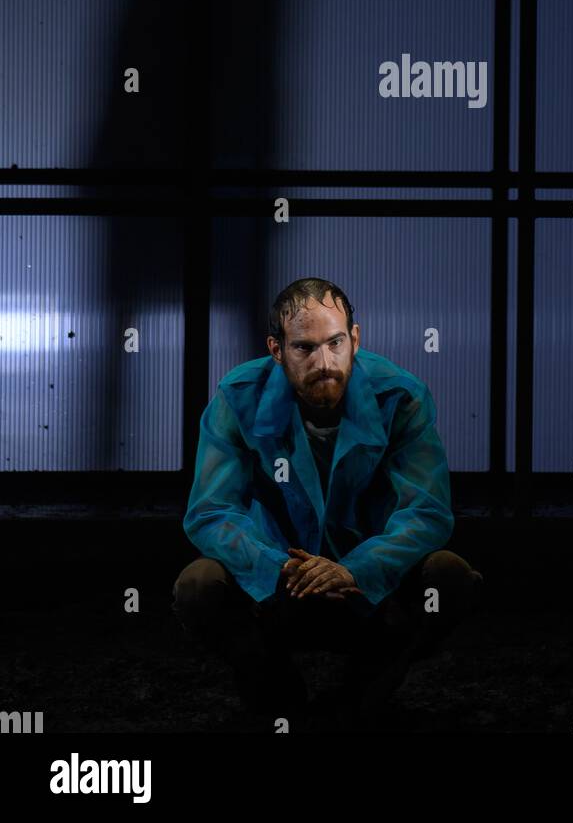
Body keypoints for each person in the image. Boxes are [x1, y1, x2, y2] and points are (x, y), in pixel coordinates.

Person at [172, 277, 483, 723]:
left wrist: (356, 568)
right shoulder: (238, 398)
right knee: (197, 586)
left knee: (450, 577)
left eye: (336, 343)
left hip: (367, 594)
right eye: (304, 348)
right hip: (277, 591)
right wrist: (276, 565)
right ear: (276, 351)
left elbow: (426, 511)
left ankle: (359, 697)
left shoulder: (400, 396)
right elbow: (210, 512)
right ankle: (278, 695)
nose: (324, 362)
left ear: (354, 339)